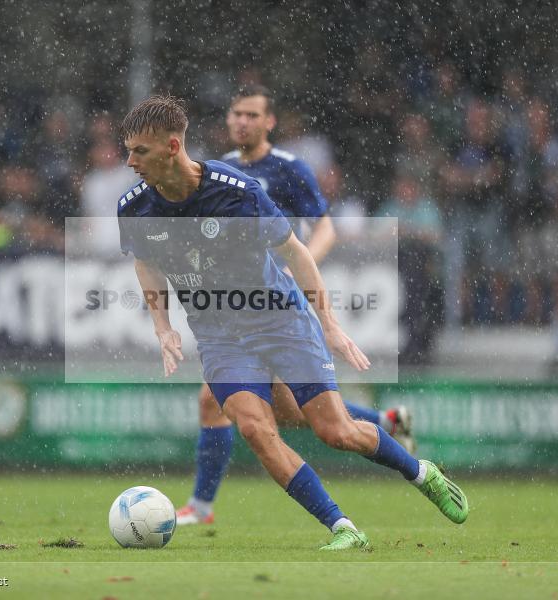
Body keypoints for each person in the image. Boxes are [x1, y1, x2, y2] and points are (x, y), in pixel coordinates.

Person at [117, 95, 468, 550]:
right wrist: (162, 325)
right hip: (221, 337)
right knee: (255, 429)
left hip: (281, 321)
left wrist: (329, 323)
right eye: (127, 151)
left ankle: (422, 473)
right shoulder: (134, 207)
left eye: (139, 152)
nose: (129, 162)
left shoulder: (236, 191)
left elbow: (296, 253)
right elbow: (145, 262)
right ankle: (342, 528)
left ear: (171, 146)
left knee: (335, 431)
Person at [176, 85, 416, 527]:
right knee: (276, 408)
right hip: (238, 305)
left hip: (282, 301)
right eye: (236, 113)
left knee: (225, 400)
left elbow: (324, 231)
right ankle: (384, 421)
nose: (242, 122)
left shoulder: (290, 169)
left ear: (269, 122)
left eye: (252, 115)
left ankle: (202, 506)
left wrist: (295, 268)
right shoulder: (216, 171)